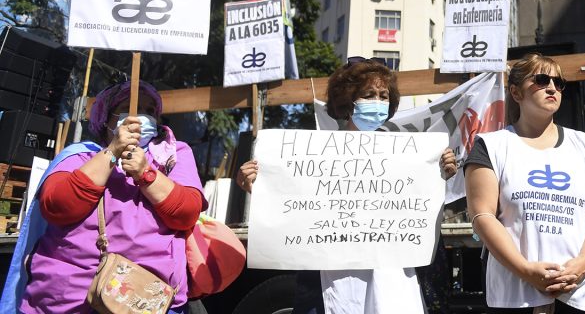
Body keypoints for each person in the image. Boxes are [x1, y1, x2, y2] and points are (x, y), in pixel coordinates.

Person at [236, 58, 458, 314]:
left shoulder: (411, 156)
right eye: (368, 94)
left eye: (383, 95)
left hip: (390, 272)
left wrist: (439, 172)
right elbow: (292, 202)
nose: (377, 101)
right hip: (329, 274)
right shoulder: (314, 155)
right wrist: (257, 185)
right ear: (348, 102)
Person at [4, 80, 205, 314]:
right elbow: (57, 206)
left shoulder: (175, 155)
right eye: (131, 108)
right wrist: (112, 152)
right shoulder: (80, 156)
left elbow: (186, 213)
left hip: (145, 300)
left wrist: (145, 174)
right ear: (107, 119)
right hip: (68, 301)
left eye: (150, 111)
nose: (143, 117)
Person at [464, 53, 585, 314]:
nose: (553, 88)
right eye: (542, 79)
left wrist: (580, 267)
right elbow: (482, 214)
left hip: (578, 292)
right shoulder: (491, 146)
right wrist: (526, 270)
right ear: (515, 92)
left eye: (559, 83)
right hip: (515, 293)